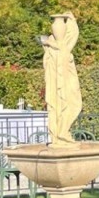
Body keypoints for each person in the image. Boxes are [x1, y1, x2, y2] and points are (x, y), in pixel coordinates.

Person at [40, 13, 82, 145]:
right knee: (70, 104)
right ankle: (61, 133)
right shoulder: (57, 49)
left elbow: (73, 35)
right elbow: (73, 35)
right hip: (60, 84)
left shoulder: (61, 48)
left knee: (74, 104)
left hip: (66, 83)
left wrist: (72, 21)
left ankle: (62, 131)